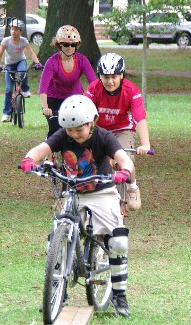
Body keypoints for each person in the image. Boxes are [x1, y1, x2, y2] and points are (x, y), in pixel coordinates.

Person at [20, 95, 134, 317]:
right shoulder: (63, 135)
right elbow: (41, 149)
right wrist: (29, 159)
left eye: (78, 129)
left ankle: (120, 296)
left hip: (101, 192)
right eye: (69, 130)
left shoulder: (104, 137)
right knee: (56, 237)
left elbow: (124, 159)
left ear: (92, 121)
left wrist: (125, 171)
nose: (73, 134)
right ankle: (56, 292)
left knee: (117, 241)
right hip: (72, 191)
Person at [84, 53, 151, 211]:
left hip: (122, 130)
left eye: (114, 76)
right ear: (100, 76)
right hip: (99, 130)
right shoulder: (94, 89)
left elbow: (139, 118)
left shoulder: (131, 91)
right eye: (105, 77)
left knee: (124, 159)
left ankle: (132, 187)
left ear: (121, 75)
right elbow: (85, 112)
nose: (110, 81)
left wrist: (145, 144)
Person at [39, 25, 97, 137]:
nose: (69, 47)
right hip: (54, 100)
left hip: (75, 99)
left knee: (78, 129)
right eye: (65, 44)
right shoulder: (52, 62)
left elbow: (94, 83)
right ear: (59, 45)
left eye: (73, 44)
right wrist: (46, 107)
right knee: (55, 131)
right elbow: (43, 88)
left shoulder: (82, 60)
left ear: (77, 45)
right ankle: (50, 151)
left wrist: (94, 102)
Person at [0, 18, 42, 123]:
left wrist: (37, 63)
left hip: (21, 61)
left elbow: (31, 53)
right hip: (9, 64)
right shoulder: (6, 41)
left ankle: (25, 89)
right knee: (8, 90)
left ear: (21, 31)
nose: (13, 31)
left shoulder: (23, 41)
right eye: (12, 29)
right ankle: (6, 113)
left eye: (16, 29)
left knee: (23, 72)